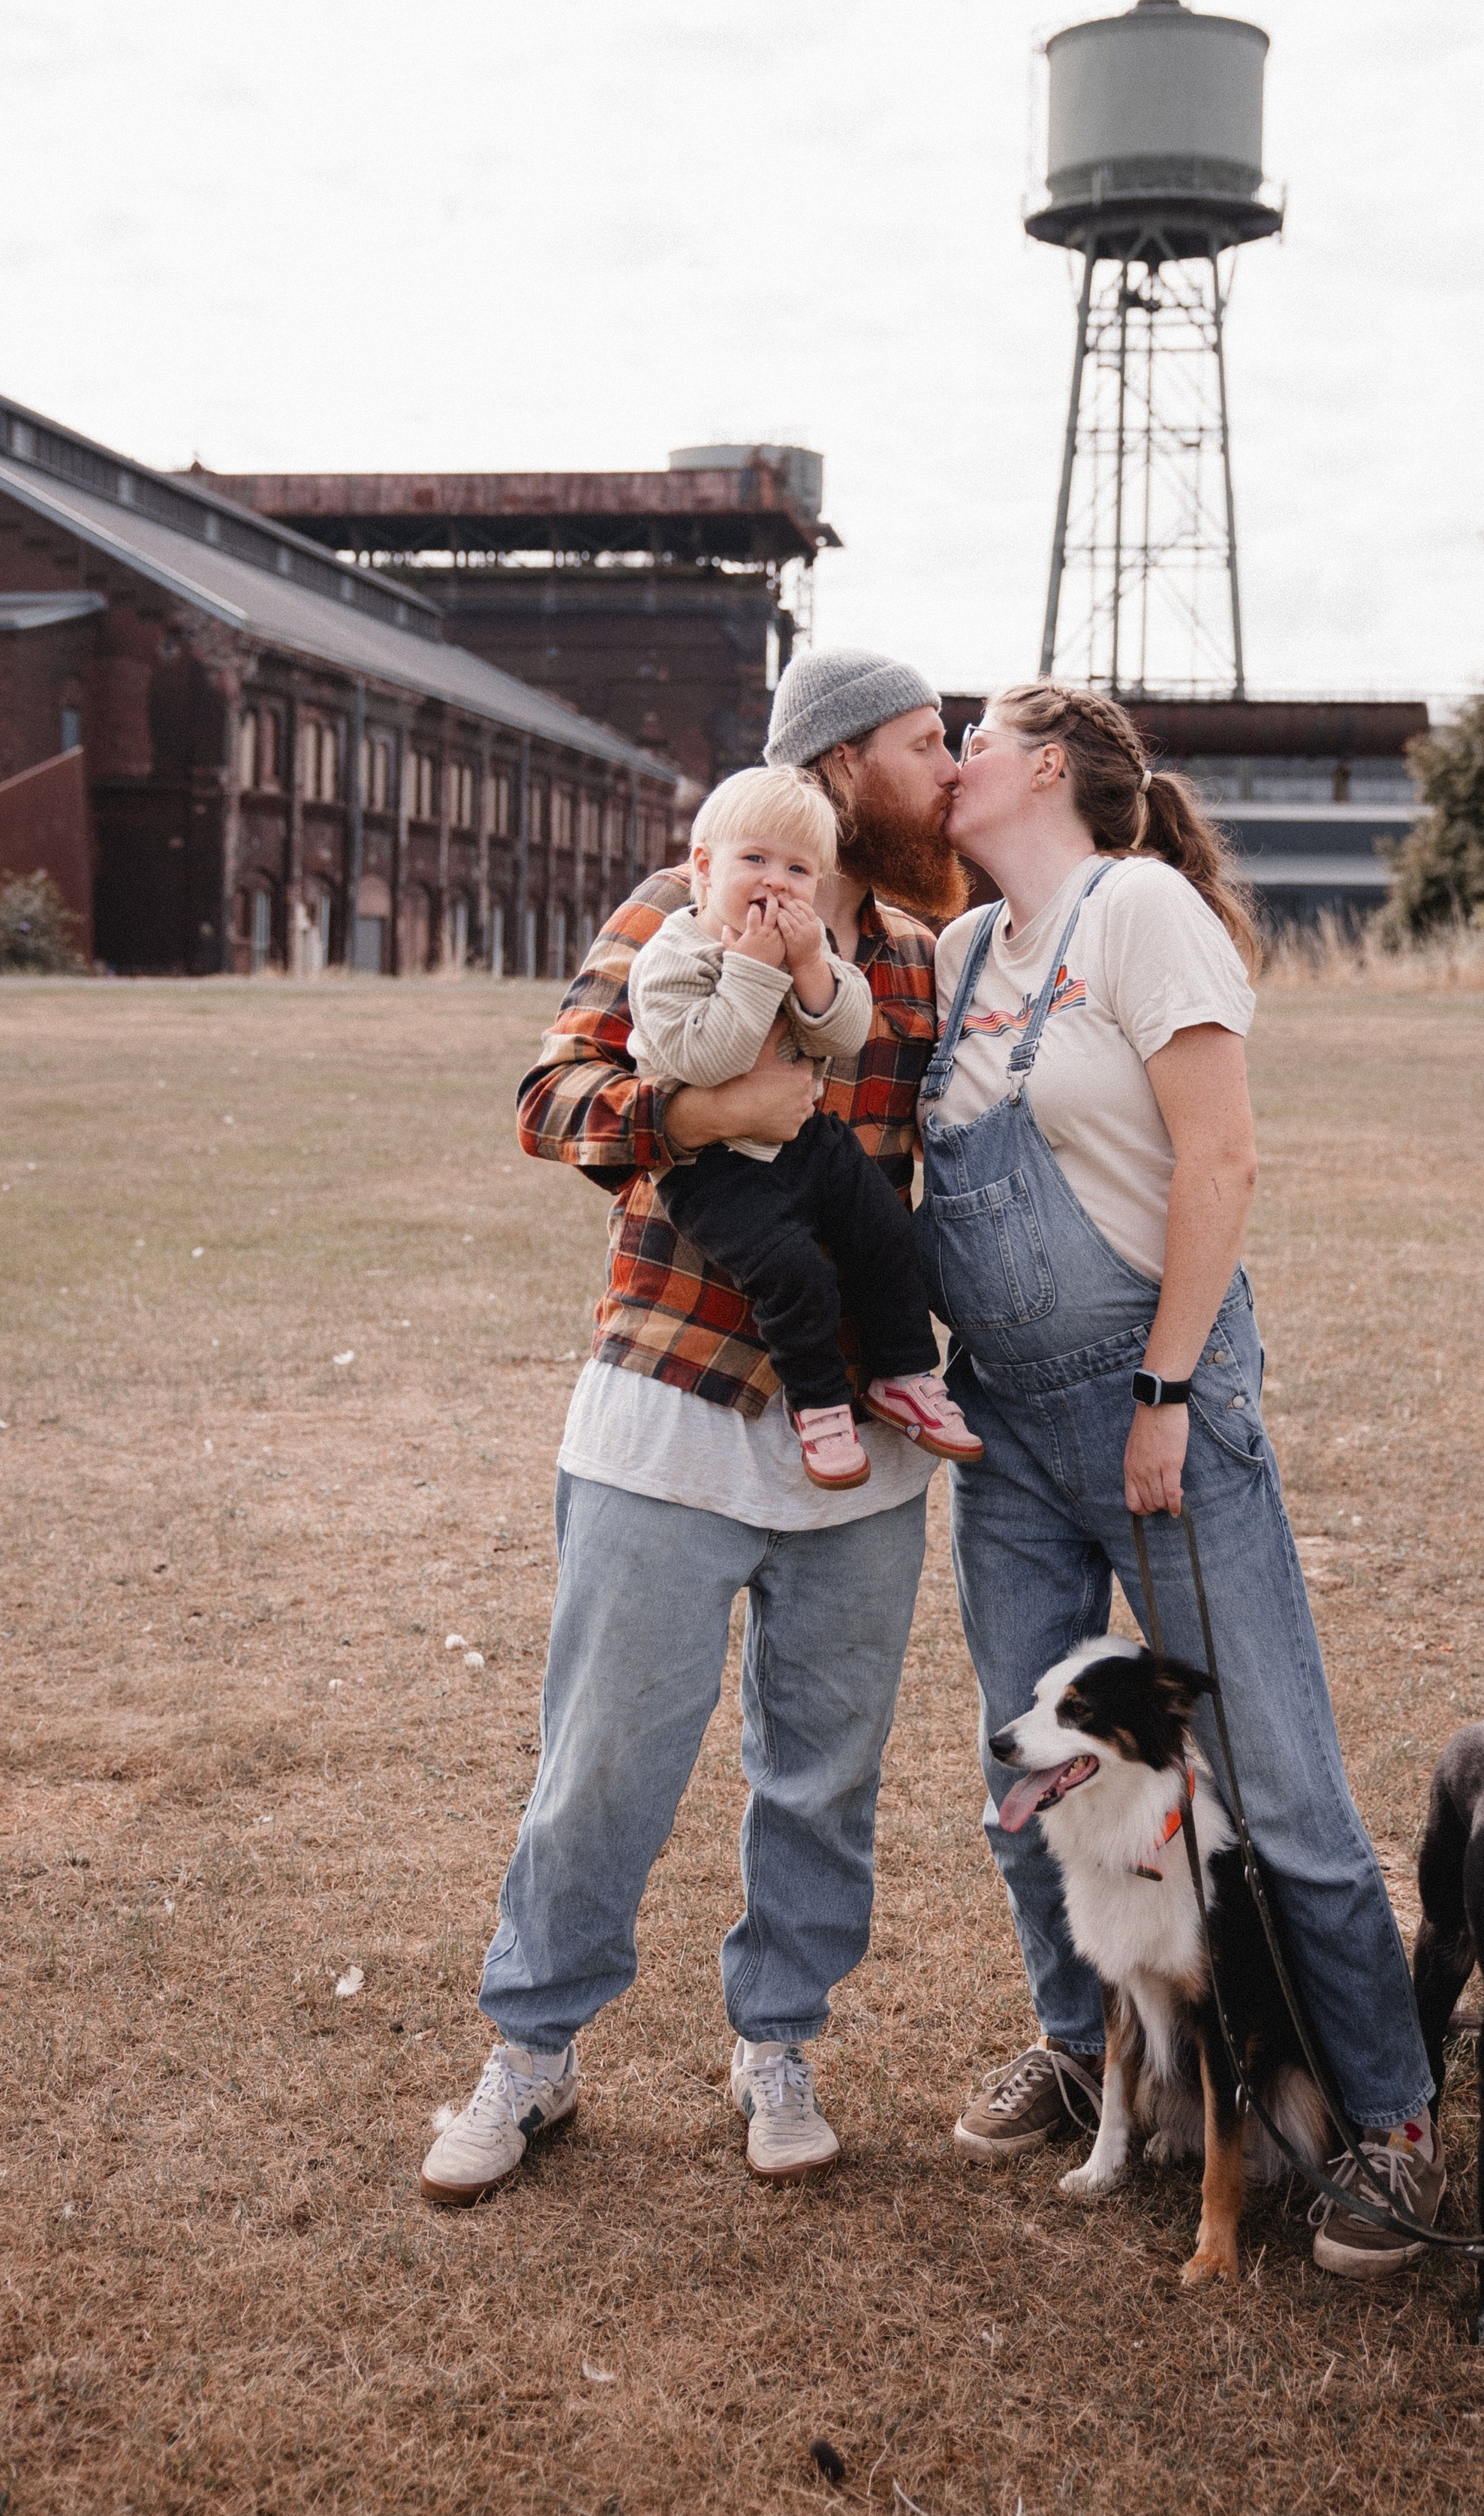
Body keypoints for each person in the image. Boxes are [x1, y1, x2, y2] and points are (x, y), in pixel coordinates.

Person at [418, 650, 968, 2207]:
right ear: (840, 763)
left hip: (861, 1442)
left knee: (824, 1776)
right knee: (603, 1762)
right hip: (668, 1404)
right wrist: (702, 1116)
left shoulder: (912, 957)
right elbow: (550, 1099)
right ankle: (532, 2051)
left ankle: (776, 2044)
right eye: (926, 744)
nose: (950, 772)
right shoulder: (680, 904)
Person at [926, 683, 1443, 2276]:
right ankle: (1090, 2054)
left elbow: (1219, 1161)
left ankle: (1391, 2125)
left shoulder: (1138, 910)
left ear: (1049, 768)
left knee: (1278, 1787)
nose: (951, 754)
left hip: (1157, 1408)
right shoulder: (958, 955)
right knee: (1028, 1775)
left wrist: (1160, 1392)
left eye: (976, 735)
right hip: (1002, 1429)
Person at [628, 764, 979, 1489]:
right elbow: (711, 1057)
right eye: (755, 859)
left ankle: (903, 1374)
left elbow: (843, 1035)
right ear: (704, 867)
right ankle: (820, 1409)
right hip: (715, 1168)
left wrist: (813, 966)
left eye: (797, 870)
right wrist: (756, 971)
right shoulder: (672, 953)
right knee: (795, 1274)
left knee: (886, 1231)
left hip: (808, 1139)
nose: (776, 883)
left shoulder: (809, 945)